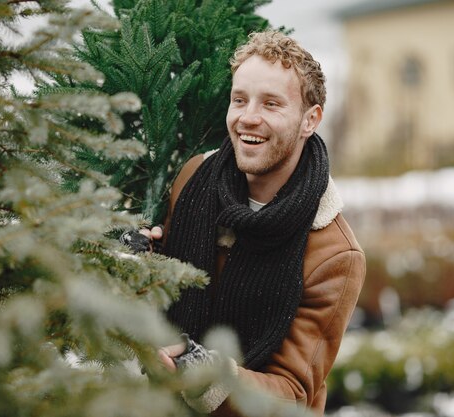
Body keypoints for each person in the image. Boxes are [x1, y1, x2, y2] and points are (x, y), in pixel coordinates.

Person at [126, 30, 366, 416]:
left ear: (310, 120)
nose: (247, 118)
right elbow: (173, 284)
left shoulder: (334, 254)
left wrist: (204, 371)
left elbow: (292, 393)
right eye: (240, 100)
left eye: (271, 104)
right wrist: (141, 261)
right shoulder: (194, 178)